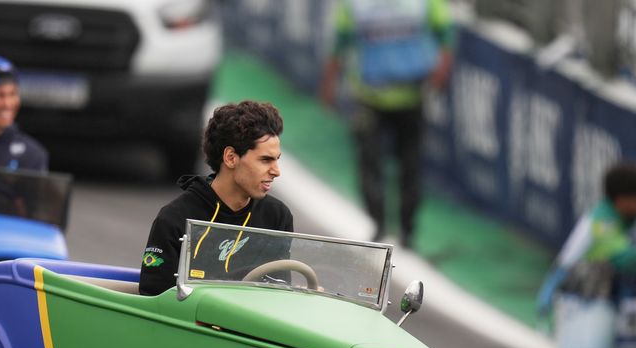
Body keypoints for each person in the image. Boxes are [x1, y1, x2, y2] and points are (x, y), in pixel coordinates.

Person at [320, 0, 454, 247]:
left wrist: (438, 77)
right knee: (369, 164)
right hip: (369, 98)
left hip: (412, 98)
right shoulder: (355, 5)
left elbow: (446, 36)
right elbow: (339, 44)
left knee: (410, 166)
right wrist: (329, 86)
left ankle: (407, 229)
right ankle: (379, 224)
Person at [139, 100, 294, 296]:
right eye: (265, 160)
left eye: (276, 160)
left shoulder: (277, 216)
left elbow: (279, 292)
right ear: (230, 157)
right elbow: (154, 300)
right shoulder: (174, 218)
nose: (276, 171)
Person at [537, 163, 636, 348]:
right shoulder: (602, 220)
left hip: (604, 286)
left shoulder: (632, 217)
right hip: (573, 288)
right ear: (623, 200)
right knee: (614, 271)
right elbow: (626, 260)